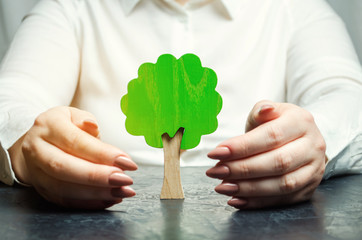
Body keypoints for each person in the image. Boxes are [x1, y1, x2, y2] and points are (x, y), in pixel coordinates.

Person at [0, 0, 361, 210]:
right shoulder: (68, 8)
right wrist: (25, 142)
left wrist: (318, 139)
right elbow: (12, 96)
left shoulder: (298, 9)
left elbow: (348, 97)